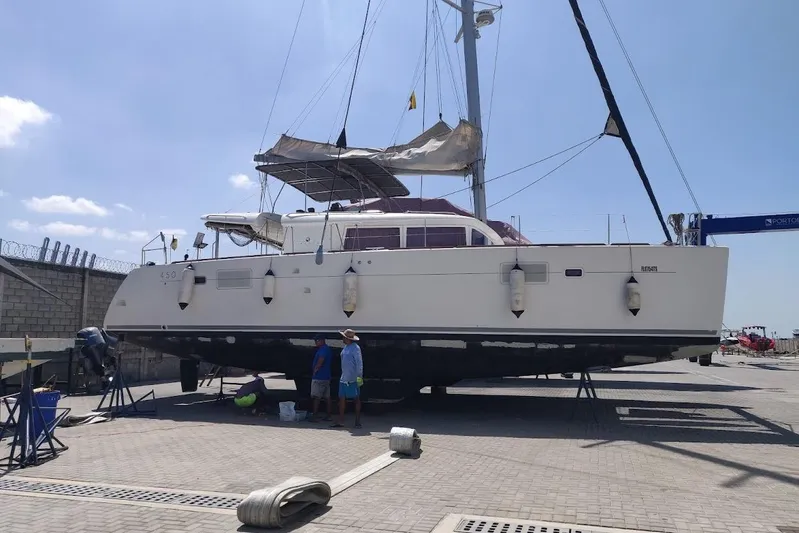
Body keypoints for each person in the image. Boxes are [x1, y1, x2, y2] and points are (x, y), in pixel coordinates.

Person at [332, 329, 363, 429]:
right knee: (341, 399)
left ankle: (357, 421)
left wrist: (359, 378)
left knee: (356, 399)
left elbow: (359, 364)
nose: (342, 338)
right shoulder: (345, 347)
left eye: (344, 337)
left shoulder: (355, 348)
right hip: (344, 377)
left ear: (347, 338)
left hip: (353, 378)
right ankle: (341, 420)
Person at [309, 333, 333, 422]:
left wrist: (315, 370)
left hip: (319, 377)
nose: (315, 342)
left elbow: (321, 360)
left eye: (317, 340)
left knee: (316, 397)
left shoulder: (323, 350)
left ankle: (314, 416)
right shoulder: (327, 349)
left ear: (322, 340)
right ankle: (329, 415)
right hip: (326, 376)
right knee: (327, 397)